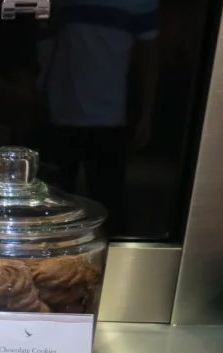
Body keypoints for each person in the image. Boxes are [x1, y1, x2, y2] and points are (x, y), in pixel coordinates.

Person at [39, 0, 160, 233]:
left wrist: (147, 114)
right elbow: (49, 43)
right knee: (51, 207)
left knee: (108, 205)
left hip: (108, 116)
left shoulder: (141, 3)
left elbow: (150, 59)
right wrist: (41, 89)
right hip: (60, 112)